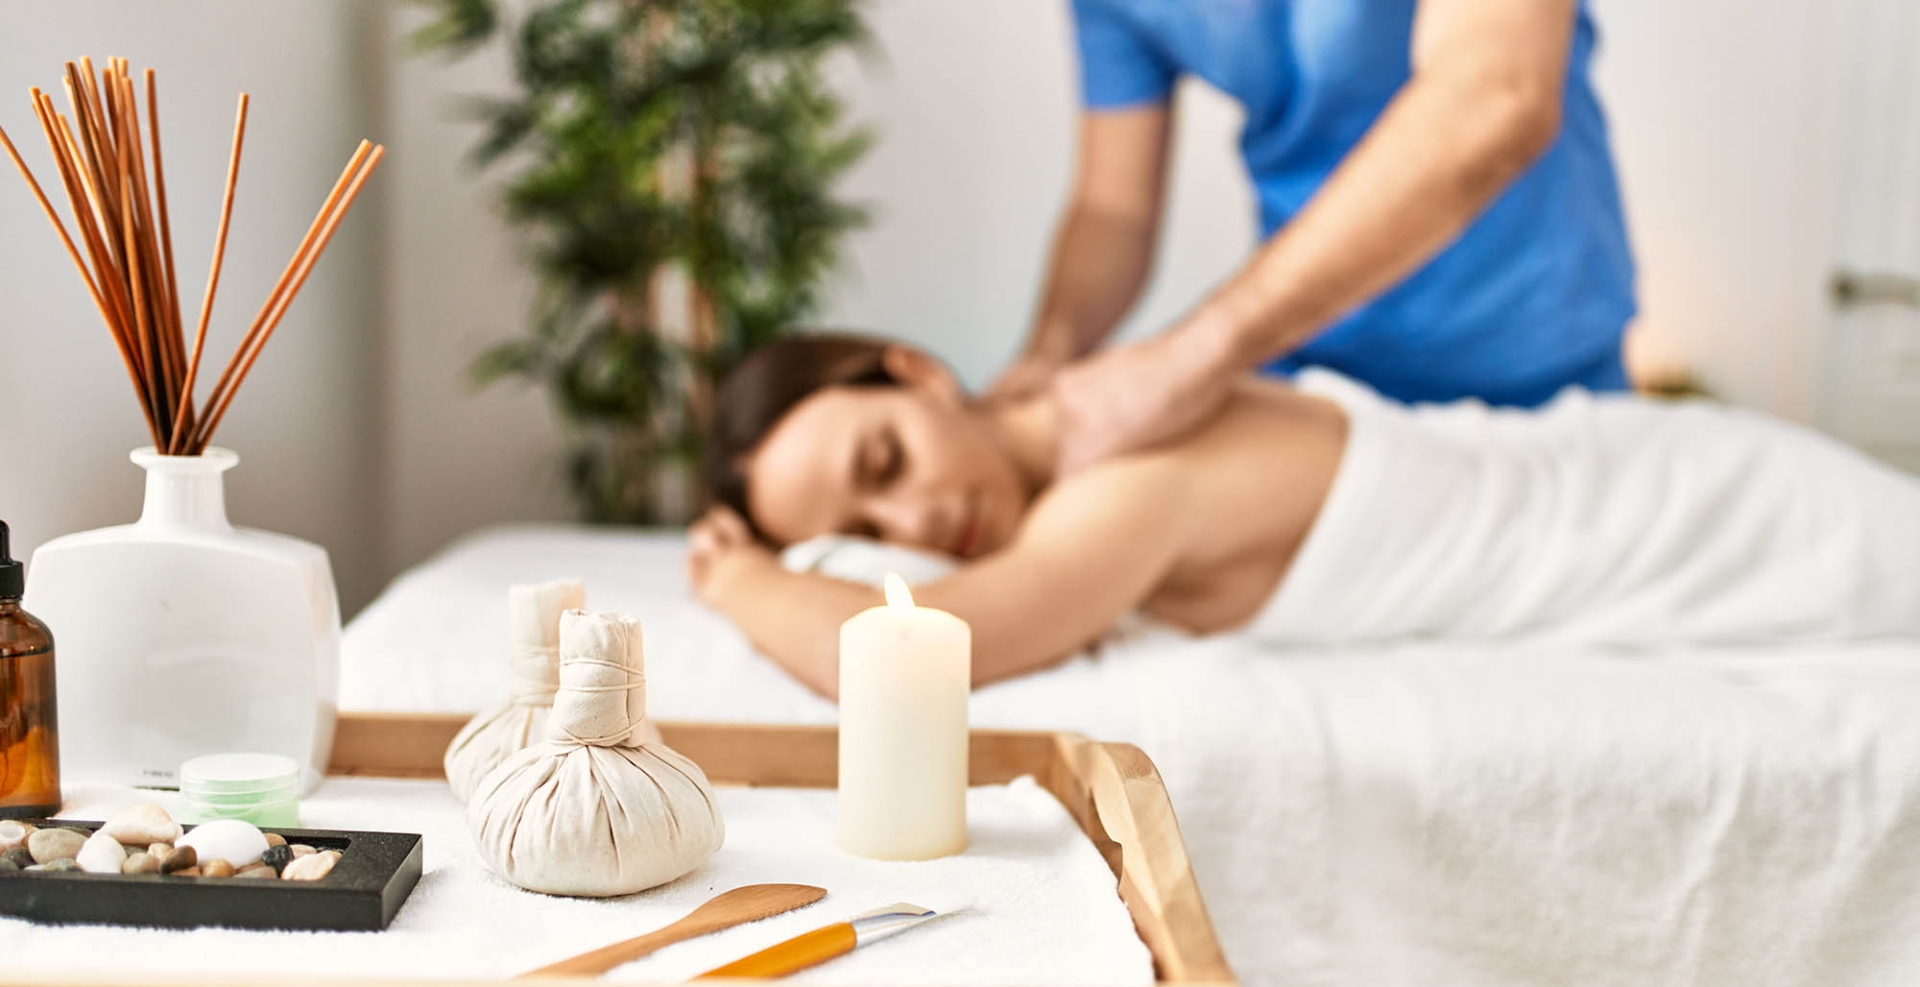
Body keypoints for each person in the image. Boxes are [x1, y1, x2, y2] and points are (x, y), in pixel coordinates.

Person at [689, 334, 1920, 699]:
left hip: (1709, 516)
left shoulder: (1124, 486)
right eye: (872, 526)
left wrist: (740, 581)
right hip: (1672, 490)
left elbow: (916, 655)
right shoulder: (1090, 415)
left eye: (887, 457)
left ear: (913, 369)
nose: (918, 519)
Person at [996, 0, 1637, 471]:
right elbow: (1115, 209)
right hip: (1314, 381)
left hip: (1536, 366)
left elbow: (1496, 99)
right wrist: (1049, 354)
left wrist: (1192, 359)